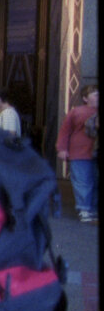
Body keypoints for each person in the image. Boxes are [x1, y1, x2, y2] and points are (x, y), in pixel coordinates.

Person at [56, 83, 97, 225]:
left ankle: (93, 209)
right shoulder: (76, 112)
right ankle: (84, 209)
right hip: (79, 151)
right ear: (85, 98)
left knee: (93, 181)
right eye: (95, 94)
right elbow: (65, 130)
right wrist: (62, 148)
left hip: (94, 151)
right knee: (82, 181)